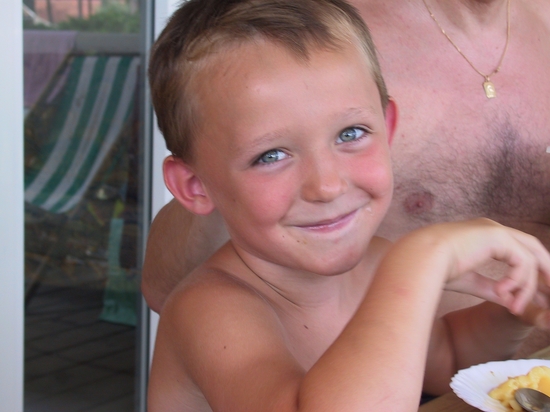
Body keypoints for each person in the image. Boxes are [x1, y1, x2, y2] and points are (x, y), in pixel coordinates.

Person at [146, 0, 550, 410]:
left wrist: (515, 311)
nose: (327, 185)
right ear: (194, 186)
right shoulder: (209, 310)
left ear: (387, 127)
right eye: (271, 156)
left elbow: (447, 356)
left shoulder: (372, 264)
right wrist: (420, 261)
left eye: (351, 133)